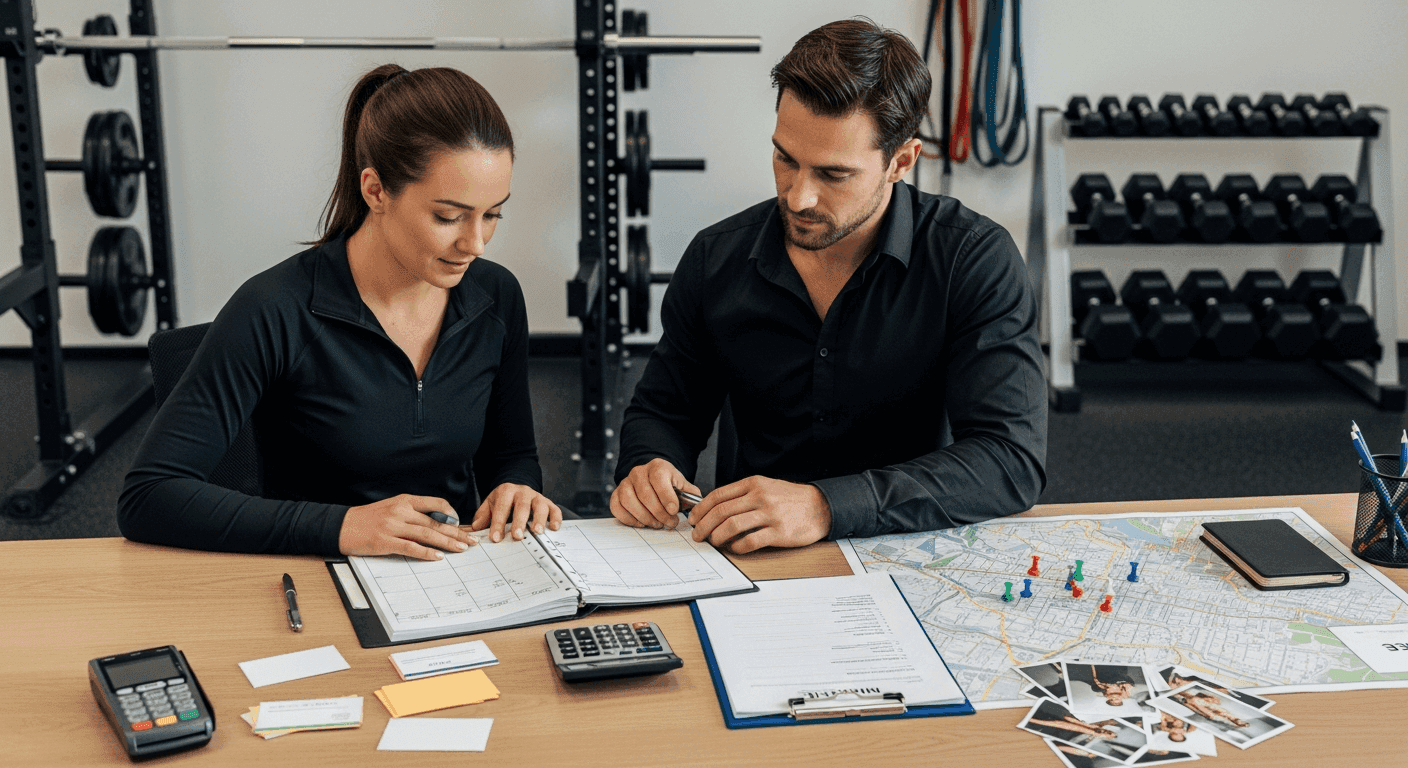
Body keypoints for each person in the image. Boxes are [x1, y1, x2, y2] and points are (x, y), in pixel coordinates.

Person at [610, 18, 1045, 553]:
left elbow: (1009, 460)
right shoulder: (714, 258)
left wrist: (825, 506)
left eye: (833, 174)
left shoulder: (972, 258)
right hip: (752, 554)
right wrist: (647, 466)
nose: (798, 197)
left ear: (901, 162)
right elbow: (663, 412)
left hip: (907, 545)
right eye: (785, 159)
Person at [119, 64, 560, 560]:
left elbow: (512, 454)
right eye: (448, 216)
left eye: (493, 214)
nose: (475, 244)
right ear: (375, 191)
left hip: (452, 575)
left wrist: (517, 488)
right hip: (315, 574)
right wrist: (343, 526)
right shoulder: (275, 308)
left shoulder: (496, 297)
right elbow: (149, 495)